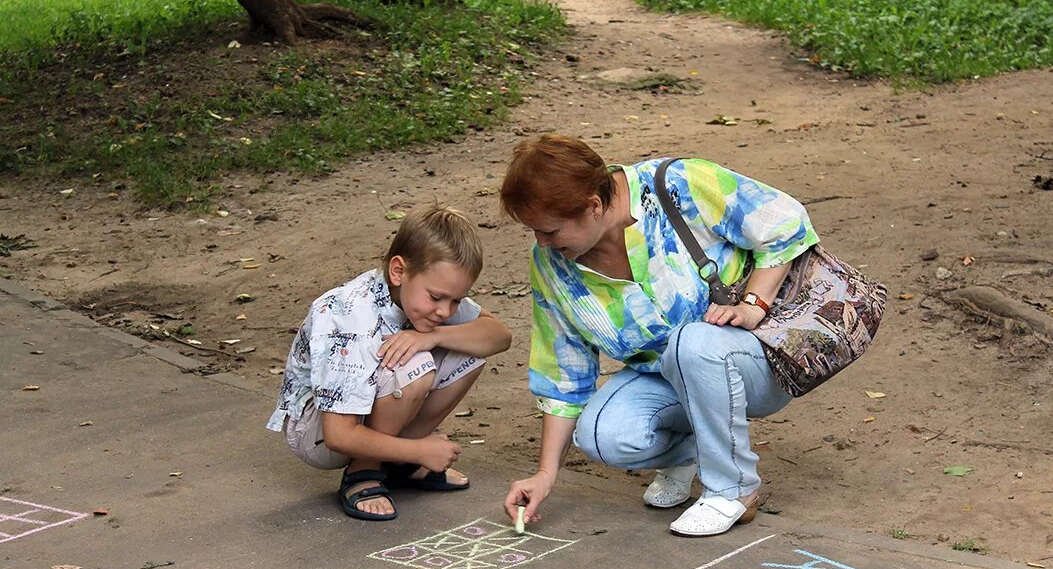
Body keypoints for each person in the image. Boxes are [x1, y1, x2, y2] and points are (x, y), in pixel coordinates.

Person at [499, 135, 820, 537]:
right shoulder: (552, 266)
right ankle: (690, 452)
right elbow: (563, 372)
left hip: (757, 363)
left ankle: (733, 490)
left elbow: (786, 221)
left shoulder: (678, 183)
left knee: (694, 342)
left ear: (594, 206)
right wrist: (546, 473)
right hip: (669, 379)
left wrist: (754, 303)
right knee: (603, 436)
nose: (542, 244)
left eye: (550, 231)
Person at [268, 205, 512, 521]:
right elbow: (338, 436)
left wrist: (432, 337)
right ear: (398, 271)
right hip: (315, 431)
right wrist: (421, 450)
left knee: (468, 349)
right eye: (437, 298)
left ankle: (396, 465)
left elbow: (499, 336)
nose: (446, 311)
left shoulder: (428, 295)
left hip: (363, 408)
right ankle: (364, 473)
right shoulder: (350, 316)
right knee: (414, 366)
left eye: (456, 300)